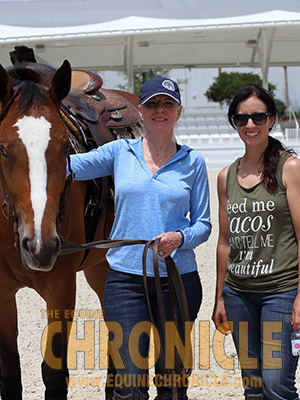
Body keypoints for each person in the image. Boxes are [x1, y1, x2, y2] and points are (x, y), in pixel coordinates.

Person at [69, 76, 212, 400]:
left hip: (178, 282)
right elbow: (67, 167)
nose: (159, 110)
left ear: (178, 111)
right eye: (152, 104)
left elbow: (203, 224)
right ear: (141, 111)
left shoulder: (193, 162)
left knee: (173, 383)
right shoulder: (120, 152)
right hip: (124, 282)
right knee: (129, 385)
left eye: (167, 104)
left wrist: (180, 237)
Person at [212, 84, 300, 400]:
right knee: (254, 386)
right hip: (239, 295)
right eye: (242, 119)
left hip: (281, 295)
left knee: (276, 384)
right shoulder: (225, 176)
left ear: (271, 120)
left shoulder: (291, 168)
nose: (250, 125)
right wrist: (220, 298)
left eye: (258, 117)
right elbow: (224, 243)